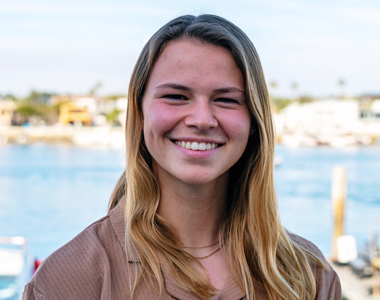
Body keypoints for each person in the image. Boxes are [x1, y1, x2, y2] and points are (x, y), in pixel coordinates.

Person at [23, 14, 341, 300]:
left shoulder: (307, 276)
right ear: (139, 112)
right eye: (176, 96)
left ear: (254, 121)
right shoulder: (69, 281)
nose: (202, 119)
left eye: (226, 99)